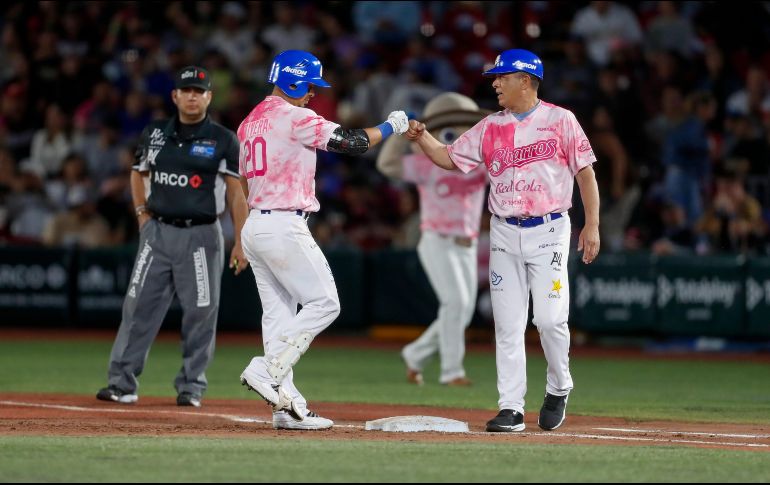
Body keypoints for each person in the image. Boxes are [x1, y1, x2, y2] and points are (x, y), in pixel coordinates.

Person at [406, 49, 600, 432]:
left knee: (548, 319)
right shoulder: (490, 125)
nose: (494, 82)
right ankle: (511, 407)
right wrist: (424, 136)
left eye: (502, 76)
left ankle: (559, 386)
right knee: (508, 325)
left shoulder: (561, 120)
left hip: (548, 228)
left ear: (525, 80)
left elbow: (586, 174)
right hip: (504, 231)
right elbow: (449, 158)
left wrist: (591, 224)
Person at [237, 50, 408, 430]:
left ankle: (286, 406)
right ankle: (267, 369)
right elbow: (353, 143)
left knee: (279, 317)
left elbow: (244, 179)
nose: (314, 93)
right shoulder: (295, 116)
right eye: (310, 85)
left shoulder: (250, 121)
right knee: (326, 303)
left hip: (256, 223)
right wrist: (391, 125)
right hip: (283, 223)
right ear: (294, 81)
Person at [96, 66, 249, 408]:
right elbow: (138, 174)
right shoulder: (154, 133)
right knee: (137, 307)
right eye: (187, 90)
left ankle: (192, 385)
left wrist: (241, 240)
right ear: (175, 96)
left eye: (199, 90)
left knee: (201, 312)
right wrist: (141, 216)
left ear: (209, 96)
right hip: (157, 232)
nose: (193, 96)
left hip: (201, 235)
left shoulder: (224, 139)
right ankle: (122, 383)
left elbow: (237, 194)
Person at [376, 92, 489, 387]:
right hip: (437, 238)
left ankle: (415, 354)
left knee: (461, 311)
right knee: (456, 302)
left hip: (467, 243)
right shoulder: (428, 164)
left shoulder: (481, 163)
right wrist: (405, 134)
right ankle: (452, 371)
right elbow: (387, 165)